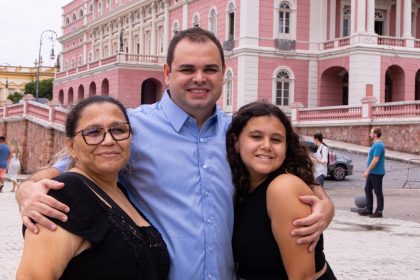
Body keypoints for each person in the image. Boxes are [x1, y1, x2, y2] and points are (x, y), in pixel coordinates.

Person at [16, 27, 334, 279]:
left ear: (223, 74)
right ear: (167, 73)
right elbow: (70, 170)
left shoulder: (240, 133)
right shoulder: (130, 129)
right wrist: (27, 189)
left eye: (210, 69)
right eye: (187, 69)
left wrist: (324, 202)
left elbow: (289, 166)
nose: (199, 78)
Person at [16, 96, 170, 279]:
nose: (109, 140)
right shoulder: (65, 196)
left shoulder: (120, 191)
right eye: (94, 132)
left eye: (118, 130)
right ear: (72, 146)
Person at [227, 102, 336, 279]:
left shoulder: (282, 188)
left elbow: (302, 277)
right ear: (236, 142)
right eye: (256, 137)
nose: (267, 146)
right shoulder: (243, 187)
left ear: (286, 146)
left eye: (276, 140)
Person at [359, 127, 386, 218]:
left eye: (371, 133)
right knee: (367, 189)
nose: (370, 134)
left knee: (378, 192)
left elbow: (375, 159)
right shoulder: (375, 144)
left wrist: (368, 170)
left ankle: (379, 211)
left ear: (375, 134)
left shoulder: (378, 145)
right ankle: (369, 209)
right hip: (373, 172)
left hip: (377, 172)